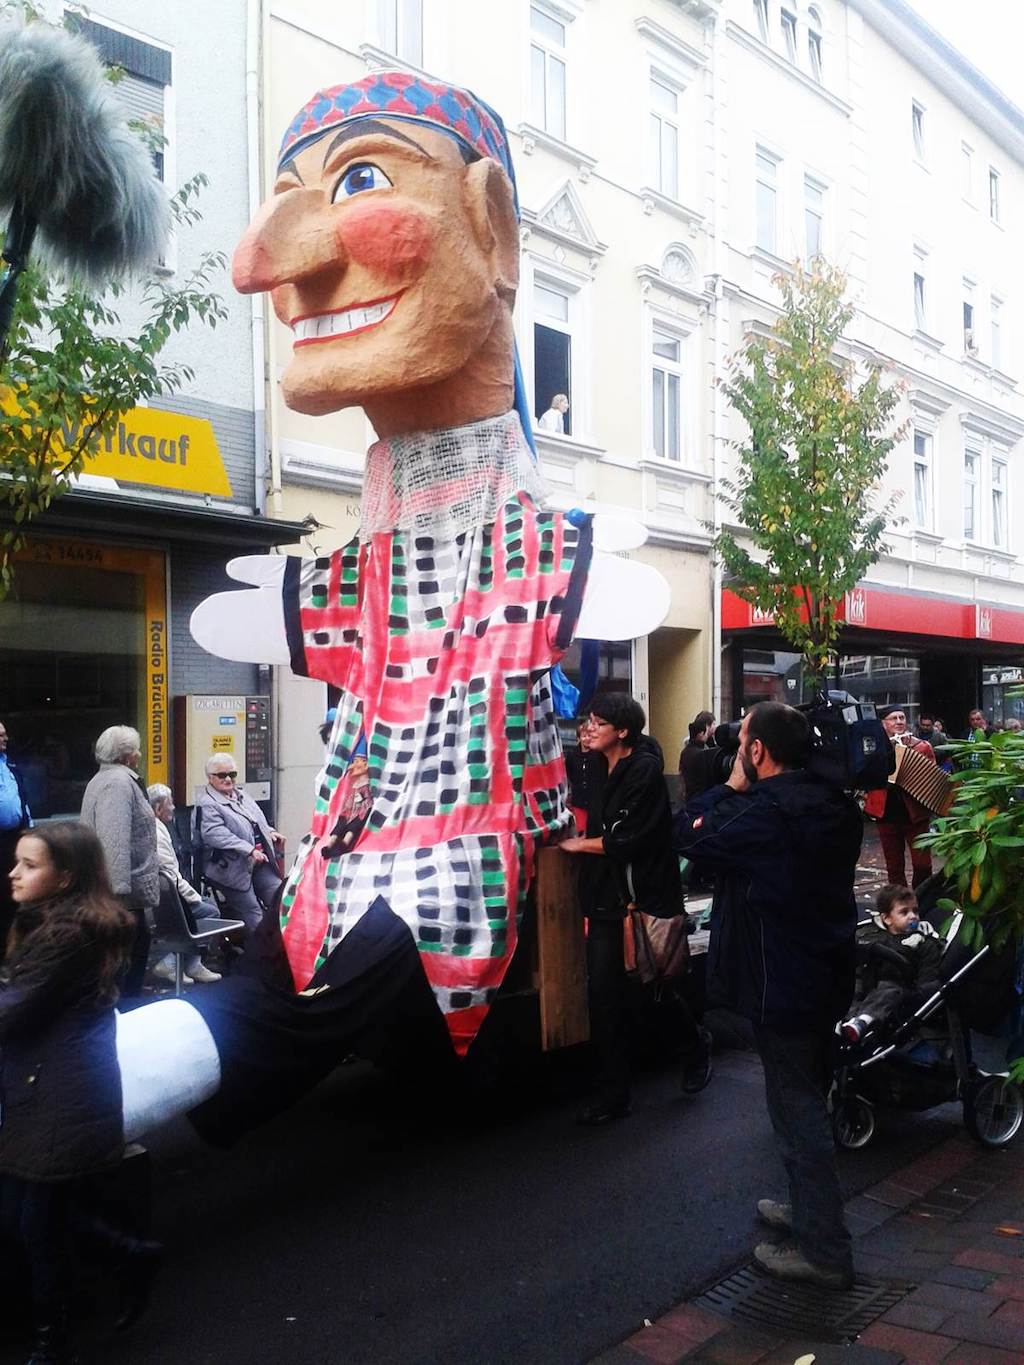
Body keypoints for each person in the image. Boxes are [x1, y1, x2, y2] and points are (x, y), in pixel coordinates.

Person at [674, 701, 862, 1290]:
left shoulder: (763, 811)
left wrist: (730, 785)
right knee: (806, 1098)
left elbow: (687, 834)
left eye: (743, 745)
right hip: (825, 972)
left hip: (779, 983)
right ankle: (808, 1211)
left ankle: (824, 1252)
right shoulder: (834, 803)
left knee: (796, 1109)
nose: (737, 754)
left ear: (757, 751)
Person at [0, 821, 163, 1361]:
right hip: (46, 1083)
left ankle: (53, 1342)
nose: (13, 873)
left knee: (34, 1225)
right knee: (25, 1213)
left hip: (59, 1093)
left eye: (29, 865)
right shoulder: (49, 922)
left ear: (66, 877)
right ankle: (131, 1254)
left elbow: (12, 1009)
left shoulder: (69, 935)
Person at [561, 692, 711, 1125]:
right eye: (587, 721)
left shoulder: (644, 770)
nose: (588, 729)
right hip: (604, 896)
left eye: (598, 723)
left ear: (623, 731)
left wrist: (578, 845)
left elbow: (628, 840)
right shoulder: (593, 764)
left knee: (651, 985)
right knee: (603, 993)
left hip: (643, 895)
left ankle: (694, 1044)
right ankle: (614, 1093)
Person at [80, 726, 158, 999]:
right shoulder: (117, 783)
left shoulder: (108, 779)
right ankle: (125, 1013)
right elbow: (113, 840)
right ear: (126, 755)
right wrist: (116, 898)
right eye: (136, 749)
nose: (139, 754)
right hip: (123, 899)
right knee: (127, 964)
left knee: (127, 961)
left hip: (122, 895)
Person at [193, 754, 284, 938]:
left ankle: (288, 945)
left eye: (232, 774)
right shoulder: (207, 803)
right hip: (230, 869)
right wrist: (249, 849)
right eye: (222, 775)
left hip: (258, 864)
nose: (228, 779)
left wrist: (270, 832)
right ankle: (261, 951)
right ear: (210, 778)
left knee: (282, 900)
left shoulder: (241, 795)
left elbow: (255, 821)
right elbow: (214, 834)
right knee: (254, 915)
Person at [842, 885, 943, 1042]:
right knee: (849, 986)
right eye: (904, 912)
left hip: (898, 990)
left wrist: (917, 994)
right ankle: (844, 1022)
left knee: (888, 991)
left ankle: (863, 1022)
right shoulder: (869, 935)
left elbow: (928, 979)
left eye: (915, 911)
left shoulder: (925, 943)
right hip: (865, 982)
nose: (913, 917)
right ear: (886, 918)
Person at [146, 784, 222, 985]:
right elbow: (170, 877)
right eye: (170, 804)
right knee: (210, 912)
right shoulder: (156, 832)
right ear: (158, 808)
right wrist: (195, 898)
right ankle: (180, 962)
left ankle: (185, 962)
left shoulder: (156, 827)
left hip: (163, 896)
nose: (173, 808)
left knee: (206, 905)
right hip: (164, 900)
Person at [863, 707, 935, 889]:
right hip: (886, 814)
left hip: (915, 815)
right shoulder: (873, 748)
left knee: (922, 865)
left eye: (902, 717)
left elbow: (933, 778)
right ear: (883, 723)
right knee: (894, 866)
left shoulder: (921, 746)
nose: (899, 721)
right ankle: (898, 901)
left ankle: (921, 898)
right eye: (893, 718)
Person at [0, 719, 31, 959]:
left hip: (13, 840)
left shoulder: (9, 764)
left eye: (5, 734)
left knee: (12, 896)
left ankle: (10, 953)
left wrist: (29, 826)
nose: (6, 738)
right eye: (1, 735)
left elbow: (21, 797)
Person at [678, 710, 717, 802]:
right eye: (714, 724)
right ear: (706, 727)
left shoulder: (688, 748)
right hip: (700, 794)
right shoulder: (701, 751)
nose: (715, 727)